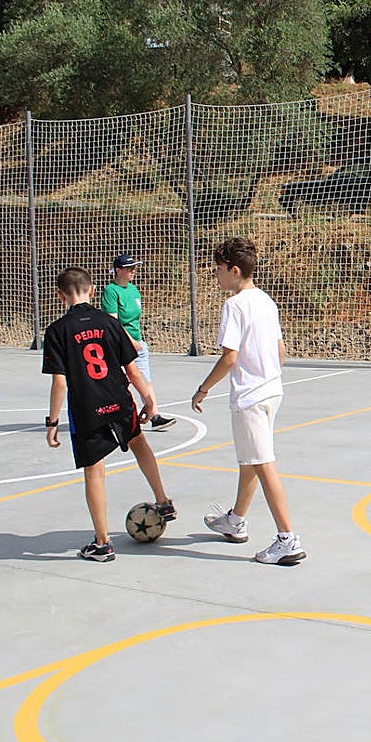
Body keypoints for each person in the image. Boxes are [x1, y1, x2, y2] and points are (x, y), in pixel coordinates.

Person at [42, 267, 177, 562]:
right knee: (139, 443)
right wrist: (149, 400)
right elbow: (132, 368)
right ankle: (163, 500)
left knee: (95, 470)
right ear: (92, 291)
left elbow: (60, 381)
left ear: (60, 295)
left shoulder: (56, 331)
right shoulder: (108, 323)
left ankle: (102, 543)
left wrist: (52, 422)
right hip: (119, 399)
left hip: (87, 409)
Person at [191, 237, 306, 565]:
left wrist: (203, 389)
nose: (216, 275)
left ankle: (287, 539)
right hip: (272, 391)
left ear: (234, 270)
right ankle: (236, 520)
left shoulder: (235, 305)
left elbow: (229, 357)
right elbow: (281, 350)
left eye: (219, 270)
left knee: (263, 464)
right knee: (251, 461)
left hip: (251, 396)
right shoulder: (266, 301)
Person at [100, 253, 177, 431]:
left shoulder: (133, 290)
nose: (132, 271)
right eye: (128, 268)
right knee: (121, 383)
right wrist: (129, 341)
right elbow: (114, 322)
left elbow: (133, 318)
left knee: (145, 379)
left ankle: (155, 415)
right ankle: (115, 417)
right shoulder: (110, 291)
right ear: (118, 270)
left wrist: (139, 340)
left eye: (134, 268)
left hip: (137, 342)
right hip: (120, 344)